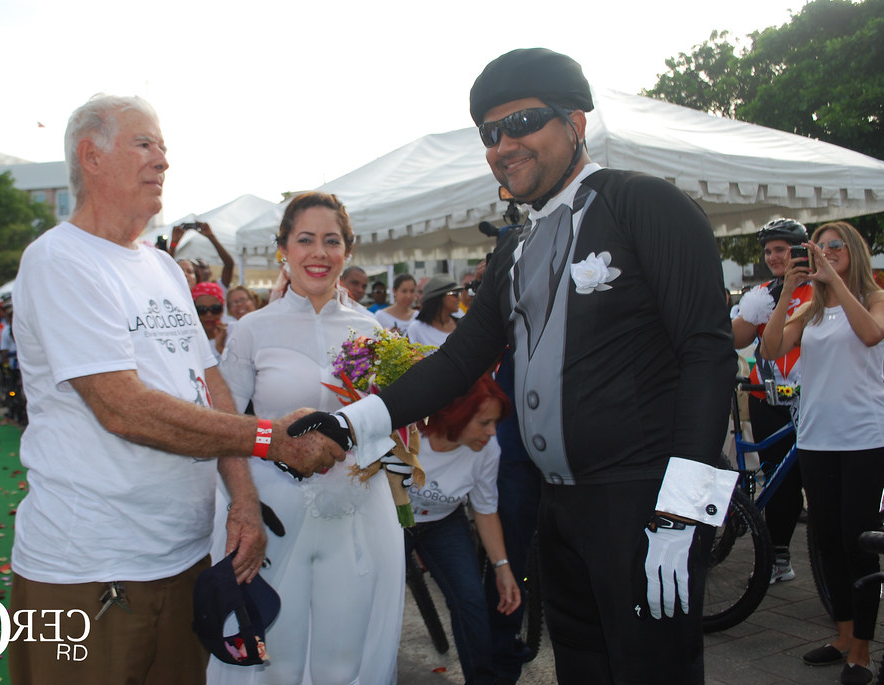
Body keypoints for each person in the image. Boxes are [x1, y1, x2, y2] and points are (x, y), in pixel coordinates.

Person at [293, 48, 737, 684]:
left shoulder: (646, 204)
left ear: (575, 122)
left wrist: (685, 513)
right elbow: (461, 359)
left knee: (653, 671)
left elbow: (707, 352)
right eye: (490, 133)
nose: (504, 144)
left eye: (523, 121)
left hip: (640, 498)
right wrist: (347, 424)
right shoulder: (516, 246)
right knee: (581, 667)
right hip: (559, 508)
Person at [7, 94, 344, 685]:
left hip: (185, 560)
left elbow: (208, 383)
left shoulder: (161, 267)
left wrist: (241, 499)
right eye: (145, 144)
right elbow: (123, 408)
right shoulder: (58, 260)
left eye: (163, 147)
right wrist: (269, 437)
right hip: (89, 569)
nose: (163, 160)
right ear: (90, 156)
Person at [212, 191, 404, 685]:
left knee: (343, 661)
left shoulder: (373, 329)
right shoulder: (253, 330)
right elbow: (225, 423)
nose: (319, 253)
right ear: (283, 249)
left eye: (331, 241)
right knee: (279, 658)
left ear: (348, 250)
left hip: (356, 510)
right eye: (305, 240)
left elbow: (391, 422)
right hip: (275, 510)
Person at [760, 221, 884, 685]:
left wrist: (835, 287)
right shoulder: (811, 308)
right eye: (821, 247)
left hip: (864, 438)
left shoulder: (873, 299)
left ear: (853, 251)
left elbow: (872, 334)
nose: (827, 252)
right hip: (816, 437)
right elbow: (771, 349)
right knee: (827, 539)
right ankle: (844, 634)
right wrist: (789, 290)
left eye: (836, 246)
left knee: (858, 539)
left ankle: (863, 652)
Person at [406, 374, 521, 685]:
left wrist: (503, 568)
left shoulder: (487, 450)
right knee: (379, 602)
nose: (492, 431)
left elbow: (485, 510)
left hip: (442, 522)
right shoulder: (409, 435)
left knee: (470, 600)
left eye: (495, 422)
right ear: (457, 414)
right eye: (484, 422)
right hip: (393, 522)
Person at [732, 218, 811, 583]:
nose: (773, 257)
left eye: (781, 249)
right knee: (780, 478)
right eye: (768, 251)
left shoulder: (819, 290)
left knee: (809, 476)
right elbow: (737, 338)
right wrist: (747, 310)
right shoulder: (762, 292)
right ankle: (779, 555)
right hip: (766, 396)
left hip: (811, 397)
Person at [169, 221, 236, 292]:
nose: (185, 274)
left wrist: (211, 237)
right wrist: (173, 244)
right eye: (181, 271)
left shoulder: (216, 289)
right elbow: (166, 269)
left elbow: (229, 264)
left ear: (210, 272)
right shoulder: (177, 292)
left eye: (202, 267)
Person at [406, 275, 460, 347]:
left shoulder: (461, 325)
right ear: (439, 297)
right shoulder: (416, 329)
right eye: (454, 294)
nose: (459, 299)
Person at [193, 281, 228, 358]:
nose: (209, 314)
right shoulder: (189, 341)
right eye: (202, 310)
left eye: (215, 309)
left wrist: (220, 348)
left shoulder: (234, 334)